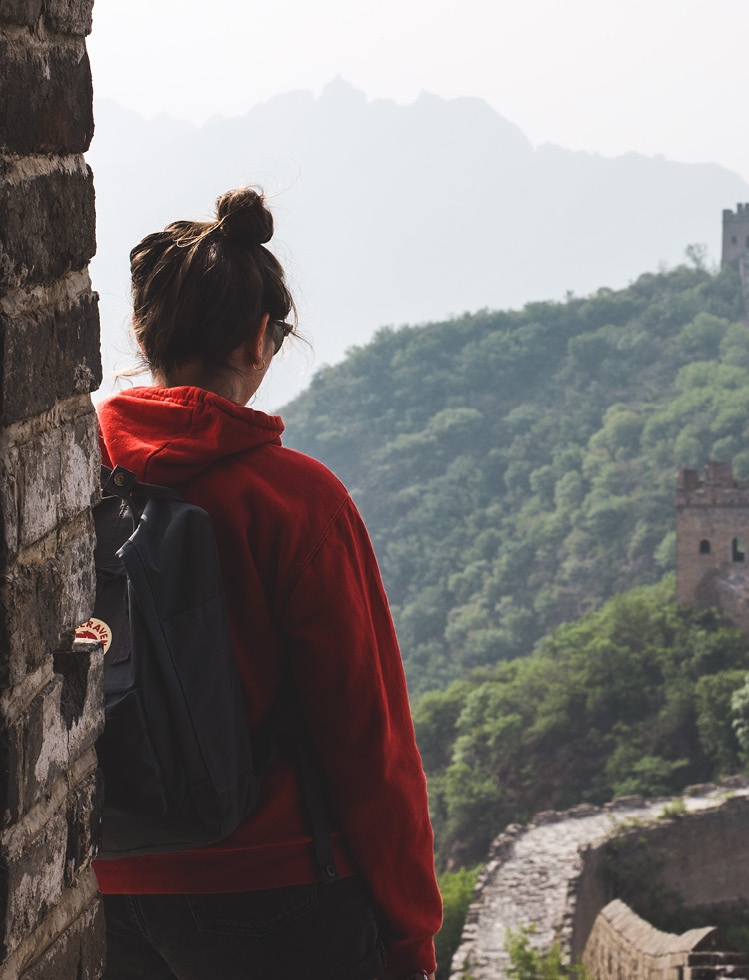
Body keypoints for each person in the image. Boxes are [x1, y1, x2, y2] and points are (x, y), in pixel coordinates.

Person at [93, 188, 441, 980]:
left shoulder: (76, 480)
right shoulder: (295, 502)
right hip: (279, 891)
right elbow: (367, 738)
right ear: (259, 338)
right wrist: (410, 927)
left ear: (146, 335)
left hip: (109, 887)